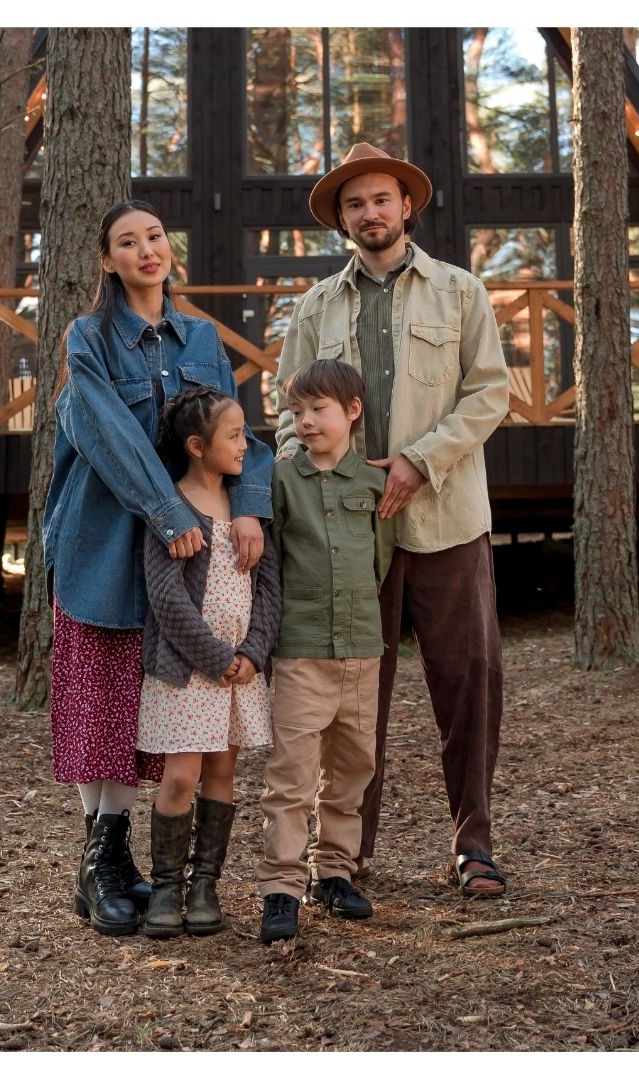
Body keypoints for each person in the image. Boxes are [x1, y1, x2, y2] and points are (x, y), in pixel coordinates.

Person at [275, 143, 511, 898]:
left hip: (447, 516)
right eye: (354, 204)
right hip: (346, 535)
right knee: (349, 699)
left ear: (406, 206)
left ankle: (473, 844)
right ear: (341, 220)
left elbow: (489, 393)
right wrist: (306, 498)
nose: (369, 213)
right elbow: (290, 417)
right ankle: (345, 856)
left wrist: (420, 459)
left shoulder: (460, 291)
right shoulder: (315, 308)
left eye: (381, 199)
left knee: (468, 681)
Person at [43, 200, 273, 937]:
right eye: (126, 242)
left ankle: (135, 866)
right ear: (106, 261)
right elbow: (106, 432)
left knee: (155, 709)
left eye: (153, 237)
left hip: (185, 552)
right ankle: (100, 860)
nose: (146, 250)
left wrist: (249, 501)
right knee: (101, 698)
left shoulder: (203, 338)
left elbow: (234, 426)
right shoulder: (89, 337)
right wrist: (168, 514)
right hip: (106, 536)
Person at [256, 359, 394, 943]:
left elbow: (380, 558)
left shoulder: (374, 484)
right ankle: (281, 888)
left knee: (352, 770)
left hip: (362, 650)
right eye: (297, 412)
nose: (307, 422)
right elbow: (272, 562)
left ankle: (334, 873)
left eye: (319, 410)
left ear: (352, 411)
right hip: (301, 651)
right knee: (290, 774)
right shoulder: (283, 480)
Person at [136, 387, 280, 939]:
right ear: (197, 446)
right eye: (235, 436)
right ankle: (167, 886)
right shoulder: (173, 510)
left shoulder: (251, 510)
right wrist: (216, 658)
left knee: (223, 772)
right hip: (186, 671)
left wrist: (251, 654)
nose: (247, 445)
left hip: (239, 674)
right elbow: (166, 600)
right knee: (182, 775)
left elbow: (271, 588)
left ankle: (205, 886)